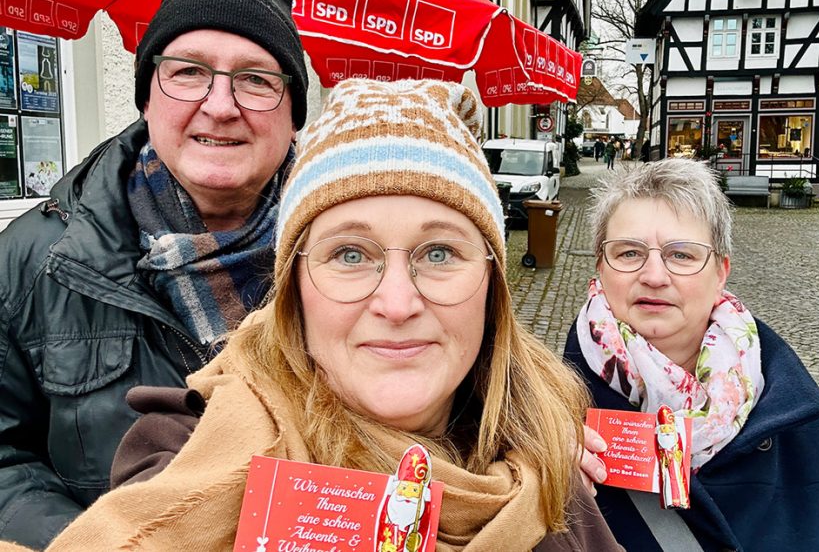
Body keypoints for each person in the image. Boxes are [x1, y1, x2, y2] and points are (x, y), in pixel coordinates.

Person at [1, 79, 624, 551]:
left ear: (492, 284)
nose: (398, 303)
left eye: (440, 252)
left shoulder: (552, 477)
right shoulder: (184, 454)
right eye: (350, 254)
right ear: (294, 290)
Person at [0, 0, 308, 547]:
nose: (220, 105)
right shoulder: (34, 260)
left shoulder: (350, 253)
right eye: (188, 71)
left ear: (293, 115)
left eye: (256, 80)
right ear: (147, 97)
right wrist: (108, 540)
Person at [564, 159, 819, 551]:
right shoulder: (543, 422)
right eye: (628, 253)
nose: (654, 275)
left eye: (682, 255)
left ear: (721, 272)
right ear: (600, 268)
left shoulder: (804, 420)